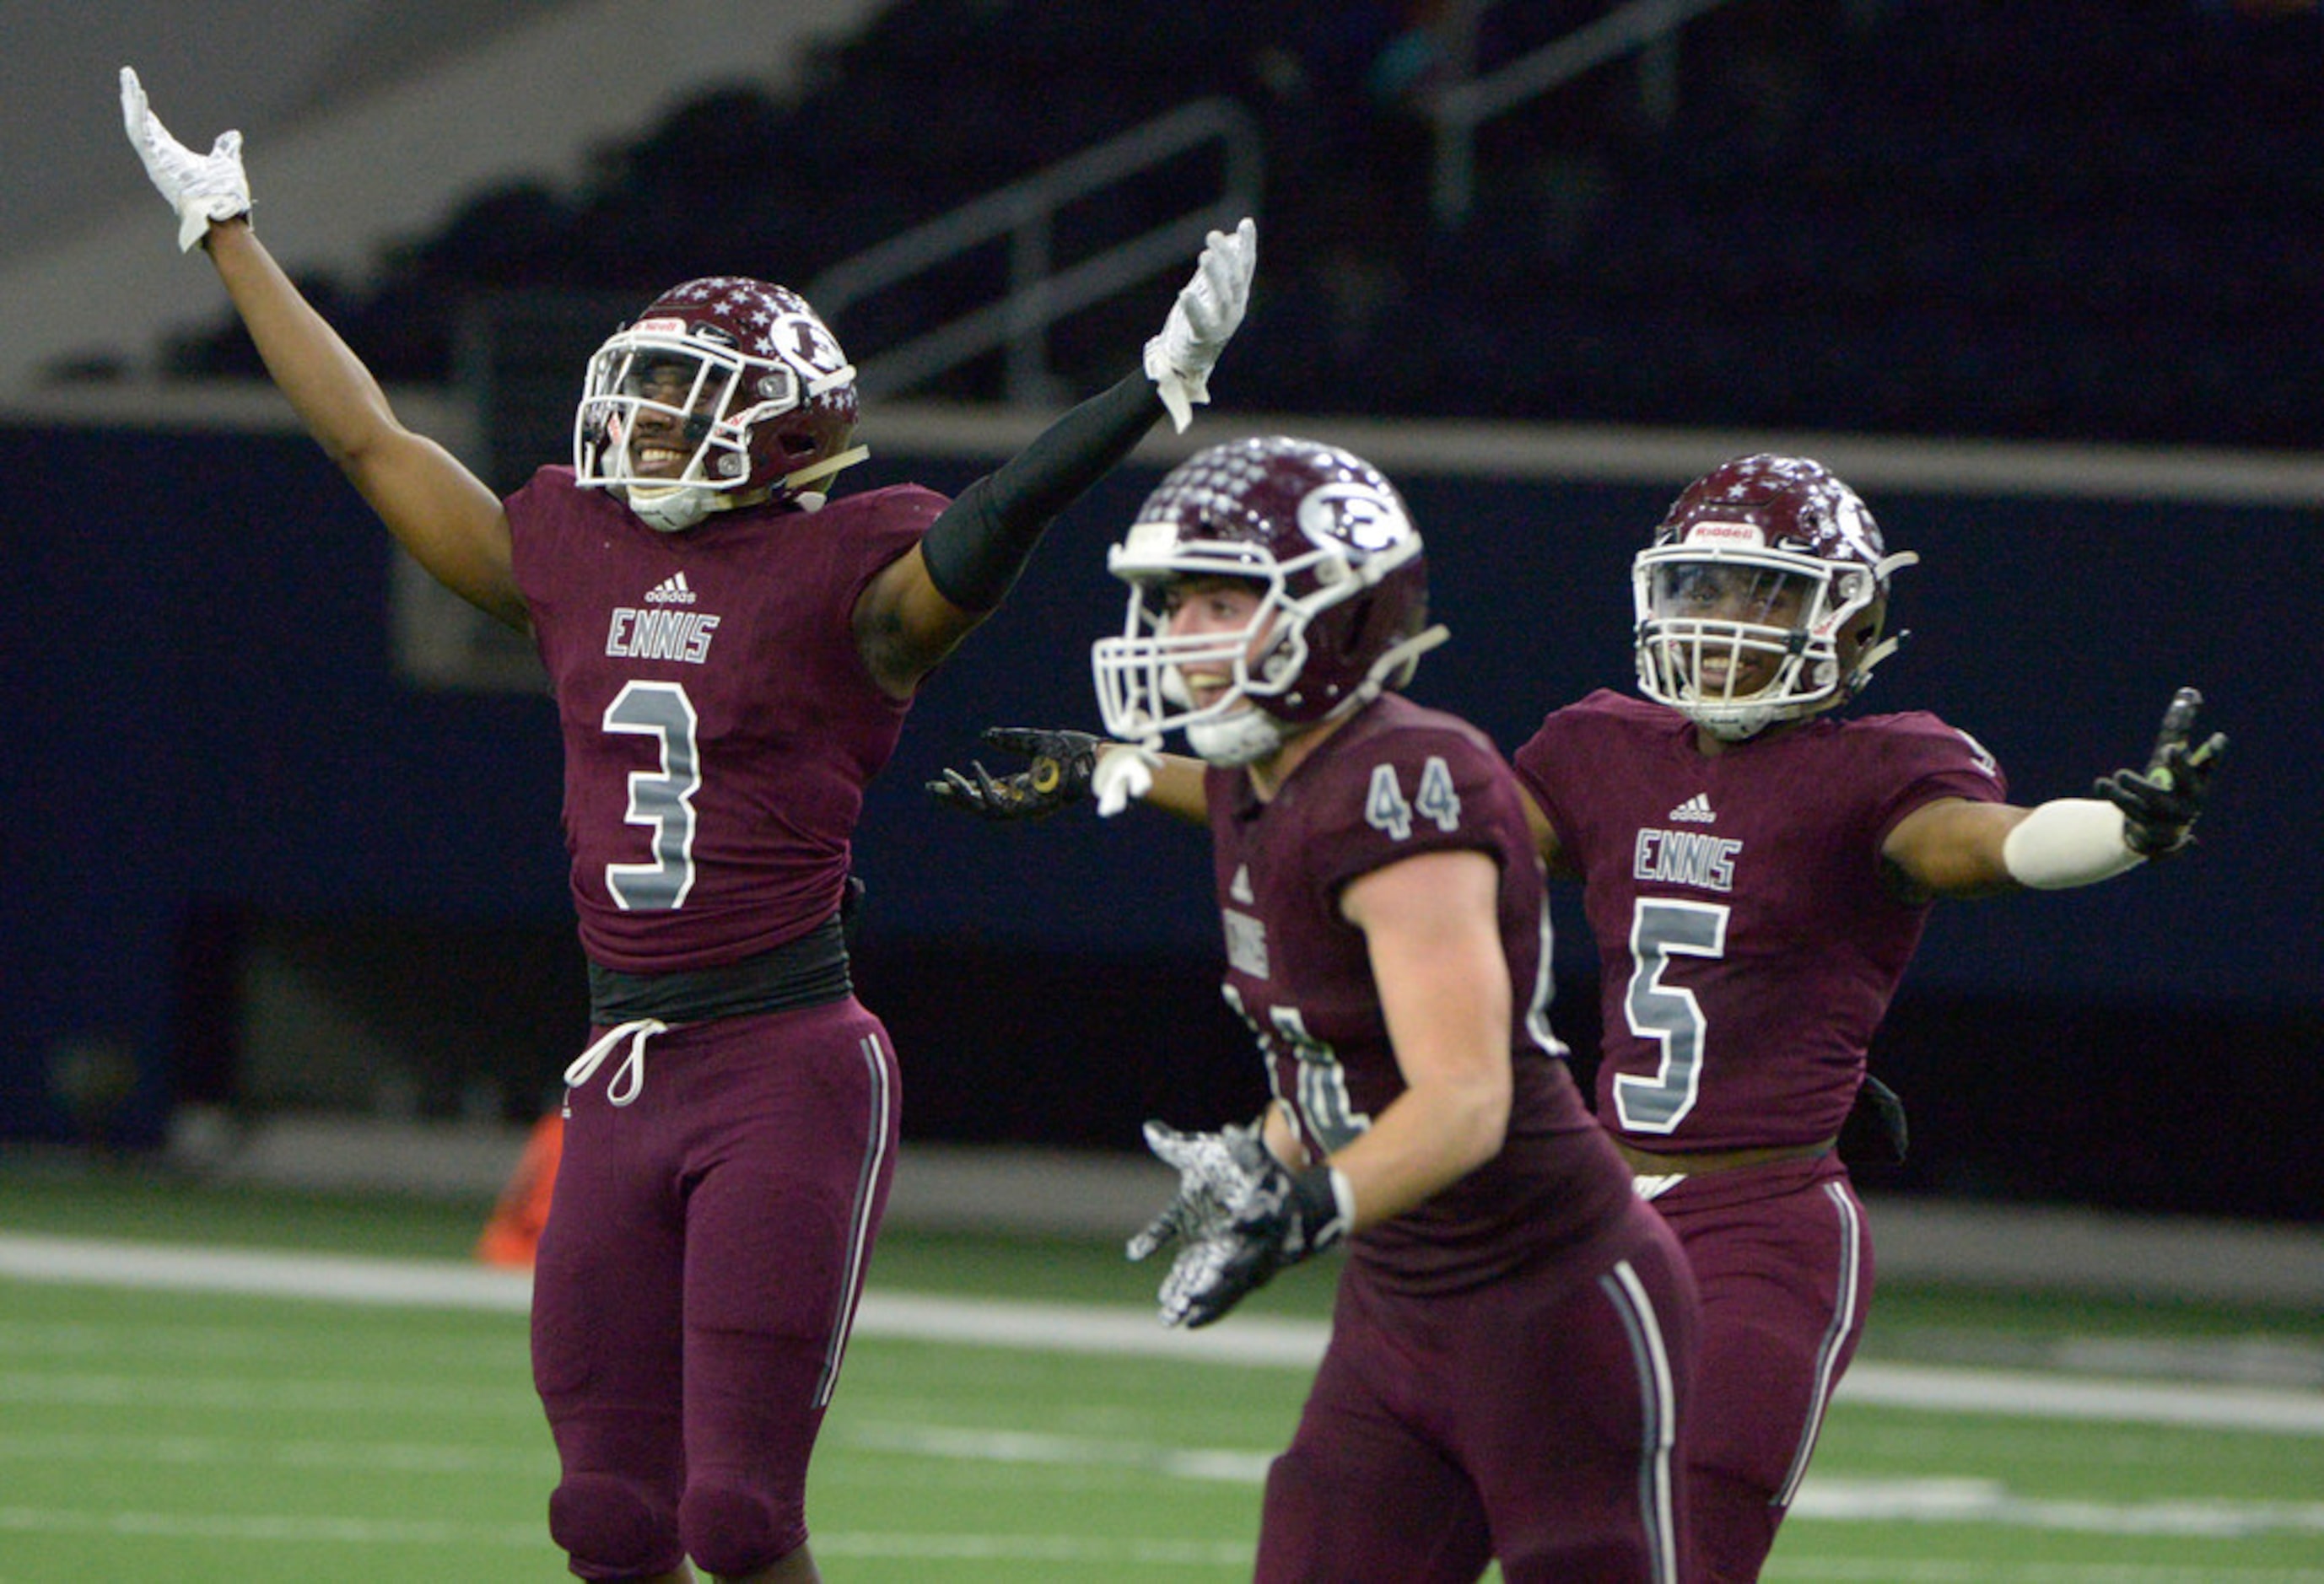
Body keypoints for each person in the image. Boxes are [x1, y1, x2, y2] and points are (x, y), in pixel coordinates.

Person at [121, 66, 1256, 1584]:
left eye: (687, 400)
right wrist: (227, 233)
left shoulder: (852, 577)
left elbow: (988, 534)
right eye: (643, 391)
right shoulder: (576, 549)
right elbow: (376, 444)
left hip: (783, 1061)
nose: (647, 424)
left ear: (784, 435)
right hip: (619, 1059)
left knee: (737, 1518)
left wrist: (1145, 392)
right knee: (605, 1516)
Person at [930, 451, 2224, 1583]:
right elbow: (1406, 823)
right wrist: (1118, 767)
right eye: (1707, 588)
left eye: (1766, 591)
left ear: (1852, 616)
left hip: (1756, 1225)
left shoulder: (1881, 768)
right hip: (1577, 1208)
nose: (1726, 620)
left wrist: (2119, 830)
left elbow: (1985, 845)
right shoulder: (1605, 746)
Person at [1077, 435, 1699, 1581]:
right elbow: (1339, 1052)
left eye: (1223, 601)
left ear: (1333, 614)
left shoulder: (1403, 779)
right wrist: (1265, 1150)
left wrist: (1307, 1204)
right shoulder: (1251, 777)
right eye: (1173, 604)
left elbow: (1464, 1096)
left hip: (1549, 1295)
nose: (1178, 637)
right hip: (1401, 1301)